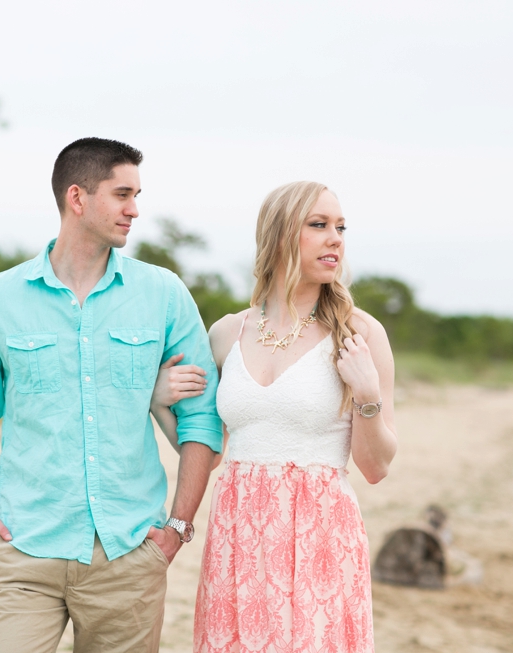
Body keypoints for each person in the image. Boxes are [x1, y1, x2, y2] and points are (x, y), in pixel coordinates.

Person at [0, 137, 222, 653]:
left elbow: (203, 419)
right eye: (122, 194)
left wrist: (177, 528)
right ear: (78, 198)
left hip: (129, 555)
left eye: (136, 195)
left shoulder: (164, 295)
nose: (134, 210)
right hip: (21, 549)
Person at [153, 181, 397, 653]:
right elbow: (208, 446)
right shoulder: (227, 332)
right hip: (237, 532)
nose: (336, 239)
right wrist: (160, 401)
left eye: (341, 227)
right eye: (319, 225)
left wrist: (366, 393)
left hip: (319, 532)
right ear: (282, 234)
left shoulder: (360, 332)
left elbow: (376, 467)